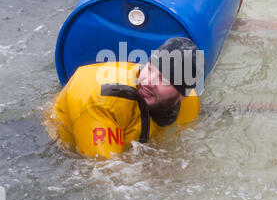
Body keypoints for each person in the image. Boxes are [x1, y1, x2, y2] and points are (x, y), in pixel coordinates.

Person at [46, 37, 202, 160]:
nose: (147, 81)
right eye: (149, 69)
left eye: (162, 79)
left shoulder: (190, 101)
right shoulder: (102, 102)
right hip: (53, 147)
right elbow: (106, 175)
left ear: (181, 96)